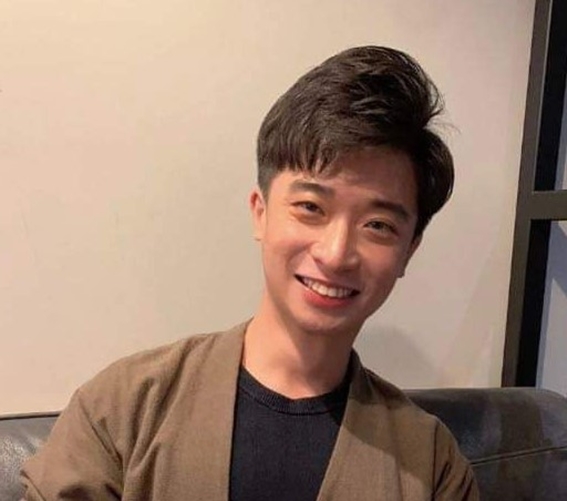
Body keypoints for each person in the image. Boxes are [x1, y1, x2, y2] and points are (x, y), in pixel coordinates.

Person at [21, 46, 479, 500]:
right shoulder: (124, 407)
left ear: (408, 251)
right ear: (260, 212)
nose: (336, 253)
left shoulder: (430, 463)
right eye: (311, 207)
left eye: (377, 225)